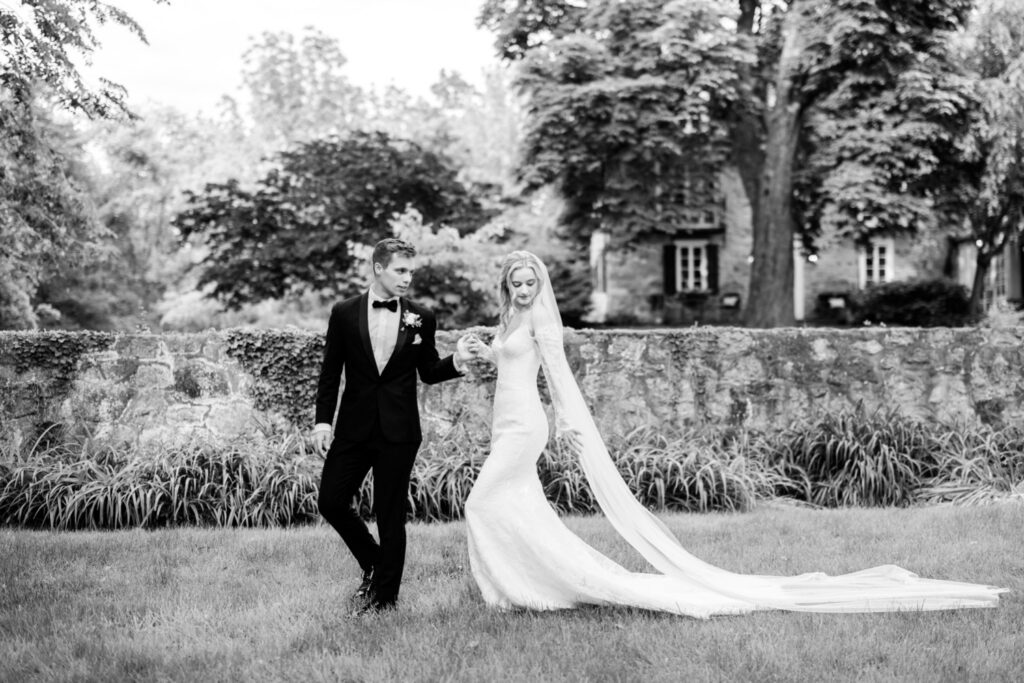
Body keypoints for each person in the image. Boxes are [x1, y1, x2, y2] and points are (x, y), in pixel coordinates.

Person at [460, 250, 1007, 617]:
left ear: (541, 284)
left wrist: (568, 429)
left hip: (526, 425)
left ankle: (521, 584)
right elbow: (507, 364)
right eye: (517, 282)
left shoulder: (543, 322)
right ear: (507, 285)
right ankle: (526, 586)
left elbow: (557, 378)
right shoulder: (510, 319)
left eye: (532, 281)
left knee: (480, 502)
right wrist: (479, 351)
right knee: (517, 504)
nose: (526, 288)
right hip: (504, 420)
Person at [312, 238, 472, 615]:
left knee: (390, 514)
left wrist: (457, 360)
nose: (407, 279)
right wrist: (322, 422)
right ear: (378, 268)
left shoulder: (422, 316)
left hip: (400, 432)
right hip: (353, 427)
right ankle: (375, 562)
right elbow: (330, 373)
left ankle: (384, 599)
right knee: (331, 501)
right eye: (401, 270)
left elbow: (429, 372)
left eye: (411, 272)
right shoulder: (344, 313)